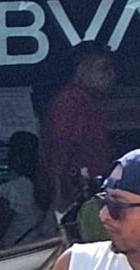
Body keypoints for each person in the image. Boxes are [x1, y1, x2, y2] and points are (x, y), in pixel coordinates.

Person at [45, 53, 122, 209]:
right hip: (80, 190)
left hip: (92, 188)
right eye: (103, 69)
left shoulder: (88, 101)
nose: (111, 75)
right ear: (82, 71)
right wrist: (65, 191)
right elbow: (63, 147)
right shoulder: (72, 101)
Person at [0, 130, 53, 250]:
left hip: (13, 256)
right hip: (42, 252)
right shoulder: (50, 186)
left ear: (16, 157)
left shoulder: (10, 191)